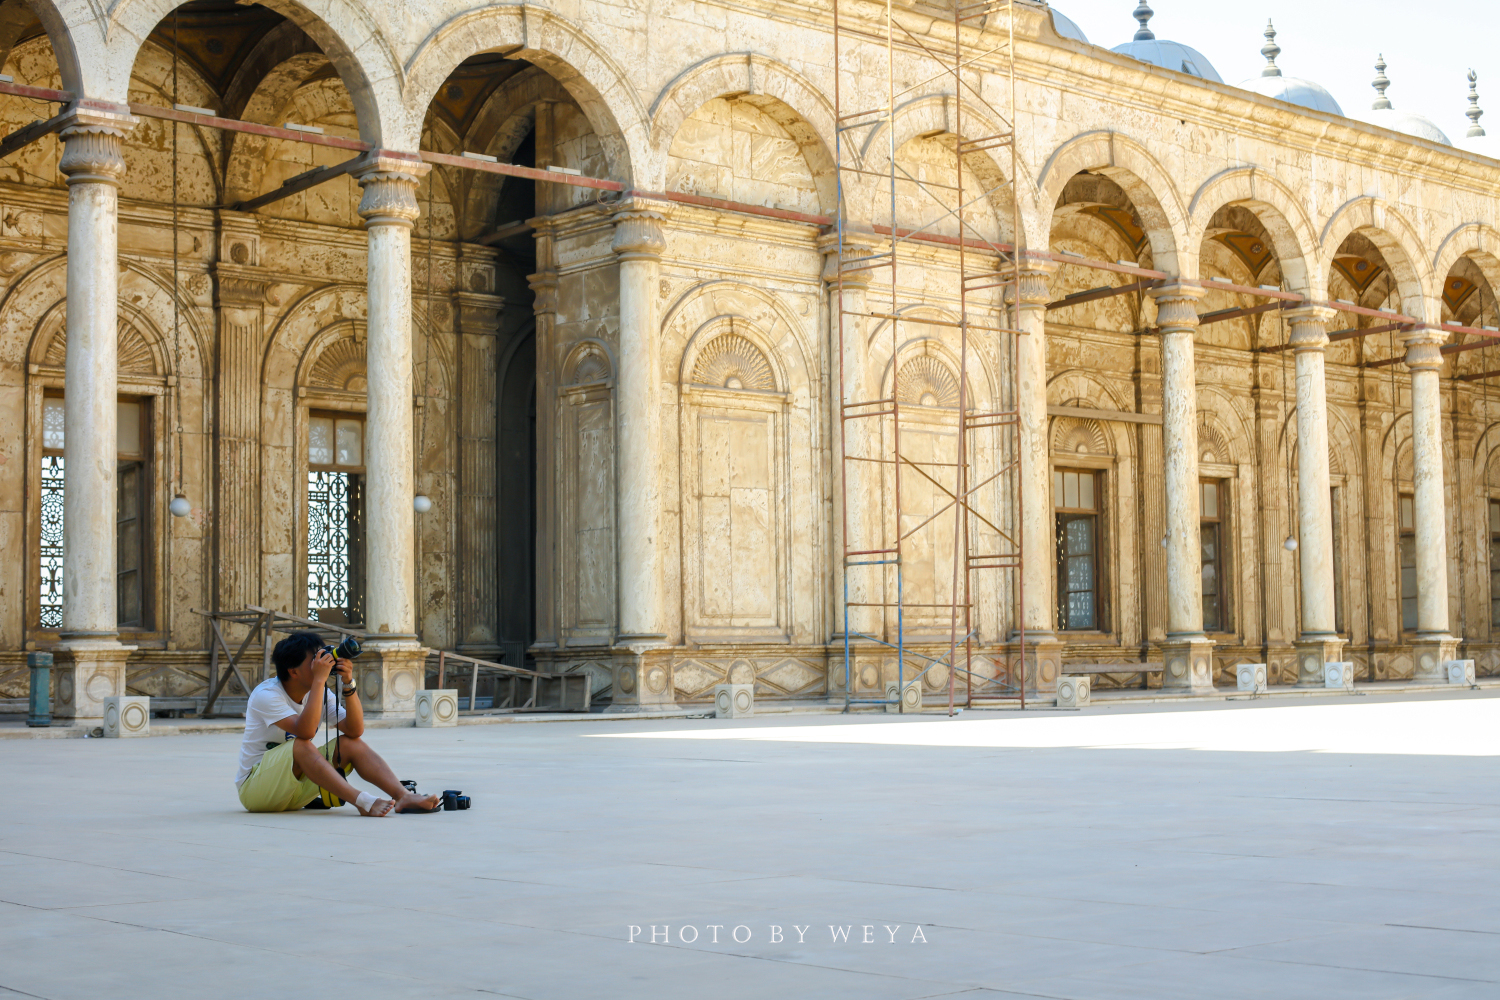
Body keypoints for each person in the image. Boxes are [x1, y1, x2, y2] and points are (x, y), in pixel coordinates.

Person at [235, 631, 441, 815]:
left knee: (350, 744)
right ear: (293, 671)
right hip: (256, 790)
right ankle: (362, 801)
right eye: (314, 661)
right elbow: (304, 732)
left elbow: (355, 729)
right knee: (301, 745)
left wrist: (348, 683)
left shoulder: (318, 691)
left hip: (294, 792)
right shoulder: (267, 695)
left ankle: (403, 796)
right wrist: (318, 680)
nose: (322, 664)